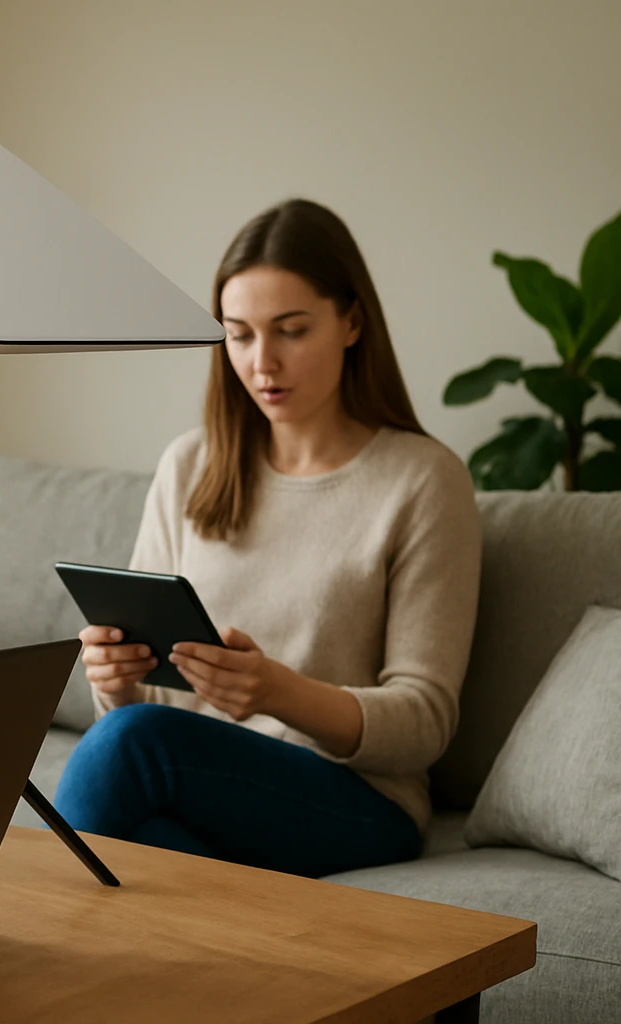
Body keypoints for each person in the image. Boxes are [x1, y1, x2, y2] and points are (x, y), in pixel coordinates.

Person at [53, 199, 481, 878]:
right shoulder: (191, 465)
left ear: (351, 322)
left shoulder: (423, 481)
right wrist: (117, 682)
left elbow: (424, 722)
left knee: (130, 745)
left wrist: (279, 692)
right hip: (202, 786)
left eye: (290, 330)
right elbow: (151, 707)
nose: (262, 363)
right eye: (241, 334)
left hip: (357, 800)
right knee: (142, 855)